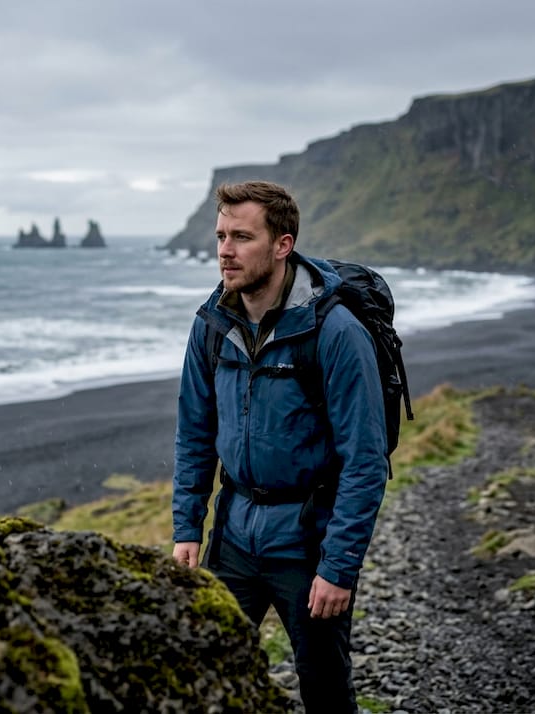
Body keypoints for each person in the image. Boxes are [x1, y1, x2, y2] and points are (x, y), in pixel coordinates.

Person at [171, 180, 387, 713]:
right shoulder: (212, 324)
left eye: (242, 237)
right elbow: (195, 433)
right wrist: (186, 528)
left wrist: (338, 567)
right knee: (209, 677)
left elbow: (365, 462)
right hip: (235, 538)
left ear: (282, 244)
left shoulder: (334, 332)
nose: (225, 250)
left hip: (307, 543)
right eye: (221, 235)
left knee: (324, 689)